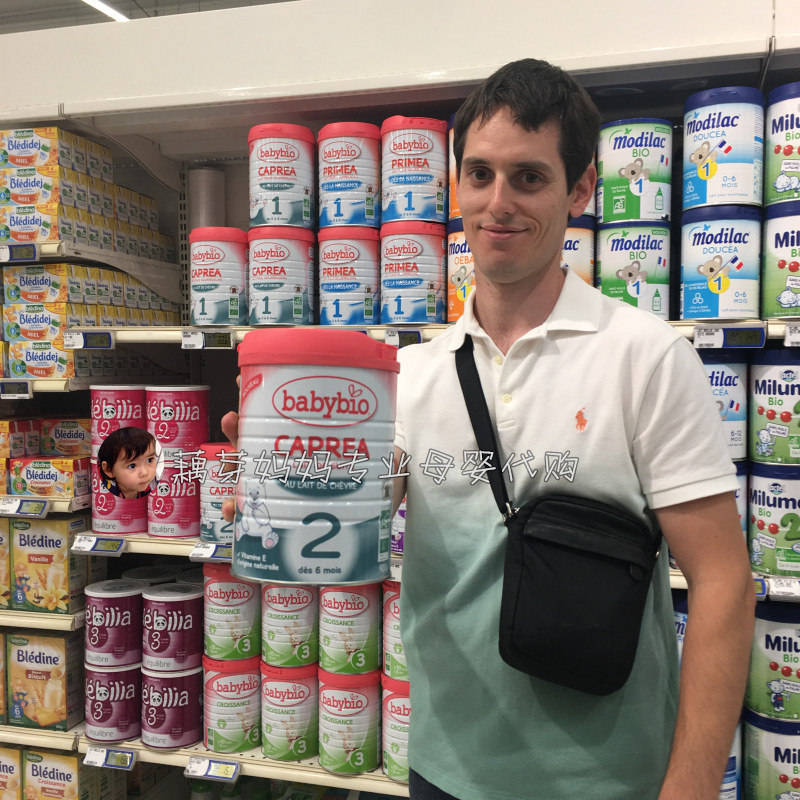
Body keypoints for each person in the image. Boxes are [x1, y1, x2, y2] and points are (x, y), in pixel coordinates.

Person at [222, 58, 754, 800]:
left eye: (528, 178)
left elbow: (724, 581)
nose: (498, 203)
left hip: (611, 781)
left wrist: (690, 788)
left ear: (580, 189)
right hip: (445, 770)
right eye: (479, 174)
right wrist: (287, 478)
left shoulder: (647, 358)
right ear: (457, 185)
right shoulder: (410, 374)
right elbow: (354, 519)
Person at [97, 426, 159, 499]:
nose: (145, 473)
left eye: (150, 460)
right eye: (132, 466)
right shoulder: (104, 491)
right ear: (109, 469)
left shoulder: (154, 484)